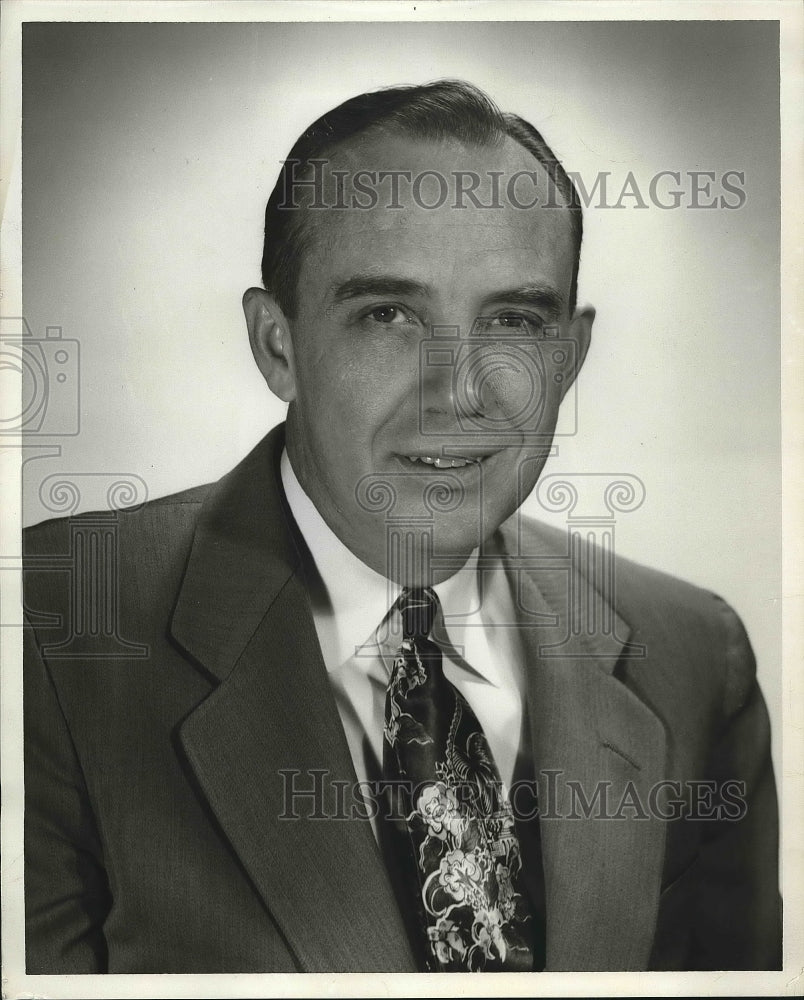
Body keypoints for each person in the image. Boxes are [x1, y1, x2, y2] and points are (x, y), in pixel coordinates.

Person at [23, 79, 781, 974]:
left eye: (512, 320)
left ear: (569, 358)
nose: (458, 392)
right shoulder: (55, 634)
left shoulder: (692, 657)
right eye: (388, 316)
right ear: (278, 345)